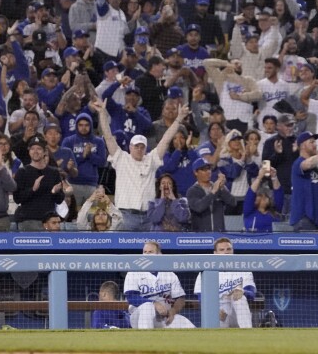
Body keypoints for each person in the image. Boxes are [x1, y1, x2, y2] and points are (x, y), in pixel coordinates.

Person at [93, 99, 190, 232]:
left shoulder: (151, 160)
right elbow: (108, 137)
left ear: (145, 148)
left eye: (142, 147)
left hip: (148, 217)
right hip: (125, 216)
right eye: (136, 146)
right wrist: (102, 114)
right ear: (130, 147)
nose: (139, 149)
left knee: (148, 251)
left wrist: (179, 119)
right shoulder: (121, 158)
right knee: (125, 251)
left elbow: (166, 140)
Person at [124, 240, 194, 329]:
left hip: (163, 317)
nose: (147, 254)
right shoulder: (133, 272)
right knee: (147, 307)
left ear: (159, 255)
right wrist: (154, 303)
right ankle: (145, 340)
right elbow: (131, 298)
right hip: (139, 316)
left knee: (186, 325)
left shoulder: (169, 274)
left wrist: (173, 311)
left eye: (150, 252)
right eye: (145, 252)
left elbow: (180, 299)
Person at [193, 237, 257, 328]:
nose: (226, 252)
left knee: (240, 298)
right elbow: (201, 298)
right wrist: (214, 311)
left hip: (238, 314)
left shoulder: (243, 269)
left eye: (228, 249)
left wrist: (243, 292)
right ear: (215, 253)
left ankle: (248, 332)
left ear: (233, 251)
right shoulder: (206, 271)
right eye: (222, 250)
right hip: (219, 313)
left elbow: (252, 294)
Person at [12, 136, 65, 231]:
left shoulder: (53, 172)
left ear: (45, 152)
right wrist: (33, 189)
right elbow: (17, 199)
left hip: (49, 222)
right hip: (28, 221)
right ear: (29, 151)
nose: (35, 151)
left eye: (39, 148)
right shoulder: (22, 172)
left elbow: (59, 200)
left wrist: (54, 192)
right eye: (32, 148)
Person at [289, 131, 318, 231]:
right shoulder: (298, 163)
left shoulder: (315, 169)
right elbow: (308, 164)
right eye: (311, 142)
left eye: (315, 142)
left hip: (317, 219)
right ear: (302, 146)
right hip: (304, 218)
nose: (315, 144)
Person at [187, 157, 236, 231]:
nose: (208, 172)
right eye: (204, 169)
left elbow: (233, 202)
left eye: (209, 169)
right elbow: (199, 207)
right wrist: (213, 192)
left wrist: (222, 188)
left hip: (219, 234)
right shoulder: (192, 191)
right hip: (201, 236)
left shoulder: (218, 188)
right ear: (195, 172)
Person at [243, 163, 284, 232]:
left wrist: (274, 177)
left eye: (266, 197)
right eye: (260, 196)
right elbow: (250, 193)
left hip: (273, 240)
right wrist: (259, 177)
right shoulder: (249, 212)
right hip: (253, 240)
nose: (264, 198)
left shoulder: (275, 212)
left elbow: (278, 193)